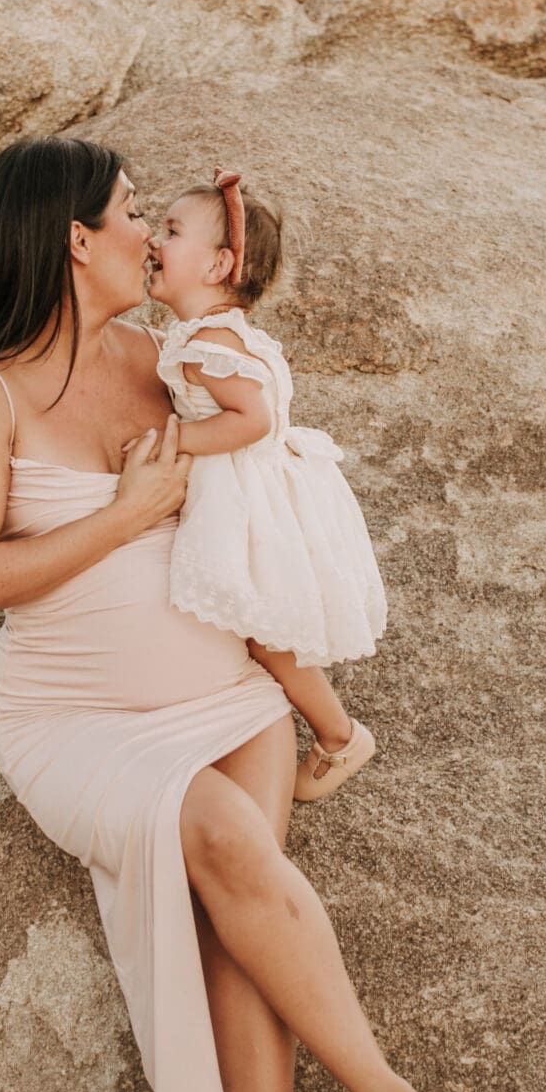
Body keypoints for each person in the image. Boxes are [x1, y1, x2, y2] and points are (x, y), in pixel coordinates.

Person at [0, 136, 546, 1092]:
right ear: (71, 240)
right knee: (214, 836)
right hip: (75, 723)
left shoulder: (169, 363)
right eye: (128, 214)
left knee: (235, 922)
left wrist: (308, 679)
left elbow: (263, 475)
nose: (150, 230)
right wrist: (129, 514)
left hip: (229, 693)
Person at [148, 167, 384, 803]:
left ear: (219, 263)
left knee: (263, 632)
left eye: (170, 231)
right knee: (254, 625)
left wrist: (170, 442)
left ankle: (339, 736)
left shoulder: (205, 345)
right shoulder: (224, 334)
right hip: (262, 488)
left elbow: (249, 421)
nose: (152, 240)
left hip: (246, 498)